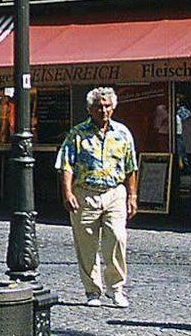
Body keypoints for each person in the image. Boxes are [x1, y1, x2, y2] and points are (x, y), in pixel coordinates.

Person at [56, 86, 139, 308]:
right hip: (86, 194)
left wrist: (132, 195)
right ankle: (92, 290)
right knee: (86, 244)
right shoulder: (77, 133)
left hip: (114, 193)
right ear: (89, 109)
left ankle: (117, 288)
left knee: (117, 239)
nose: (103, 111)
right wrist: (67, 192)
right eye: (98, 107)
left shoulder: (123, 133)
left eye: (107, 106)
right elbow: (66, 165)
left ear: (113, 108)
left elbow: (131, 167)